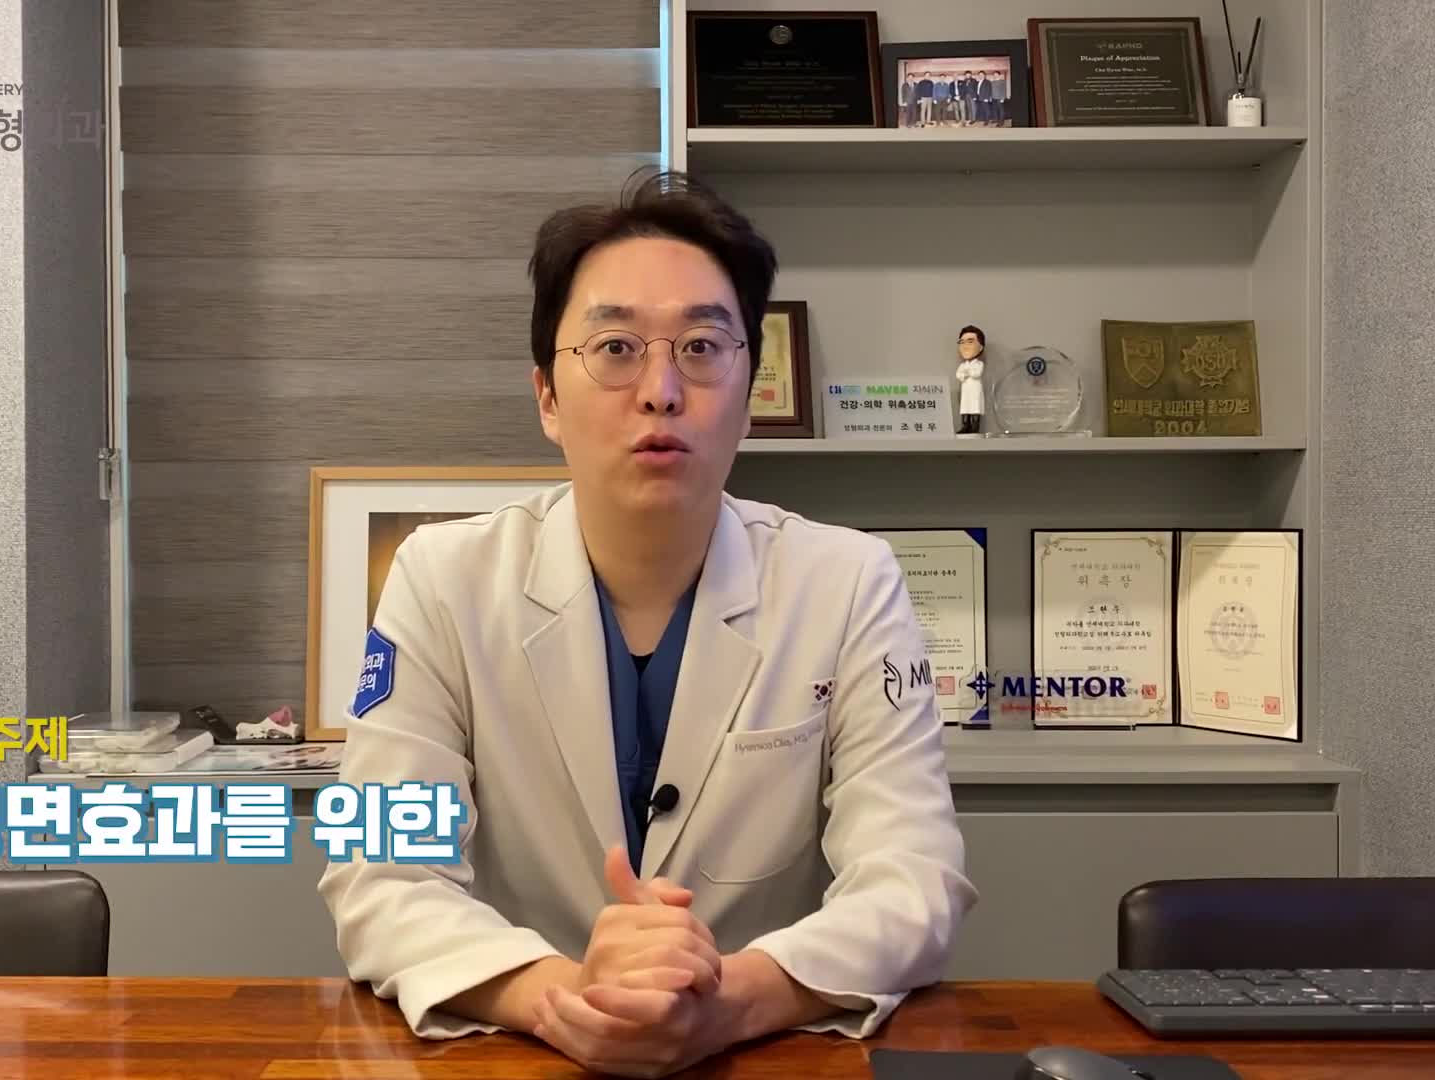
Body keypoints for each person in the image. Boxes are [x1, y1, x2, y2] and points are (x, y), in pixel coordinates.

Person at [317, 168, 976, 1078]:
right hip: (523, 1055)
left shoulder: (848, 583)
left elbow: (913, 877)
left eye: (702, 347)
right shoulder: (441, 579)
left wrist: (730, 1001)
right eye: (616, 347)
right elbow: (379, 872)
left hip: (761, 1057)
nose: (662, 389)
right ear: (548, 397)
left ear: (750, 391)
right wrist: (565, 1000)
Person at [956, 325, 986, 435]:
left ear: (980, 347)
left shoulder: (979, 364)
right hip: (965, 390)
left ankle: (974, 427)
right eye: (962, 342)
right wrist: (966, 373)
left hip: (975, 390)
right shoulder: (963, 365)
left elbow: (976, 374)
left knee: (975, 407)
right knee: (965, 407)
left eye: (970, 342)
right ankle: (965, 426)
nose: (965, 346)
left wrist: (967, 372)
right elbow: (959, 375)